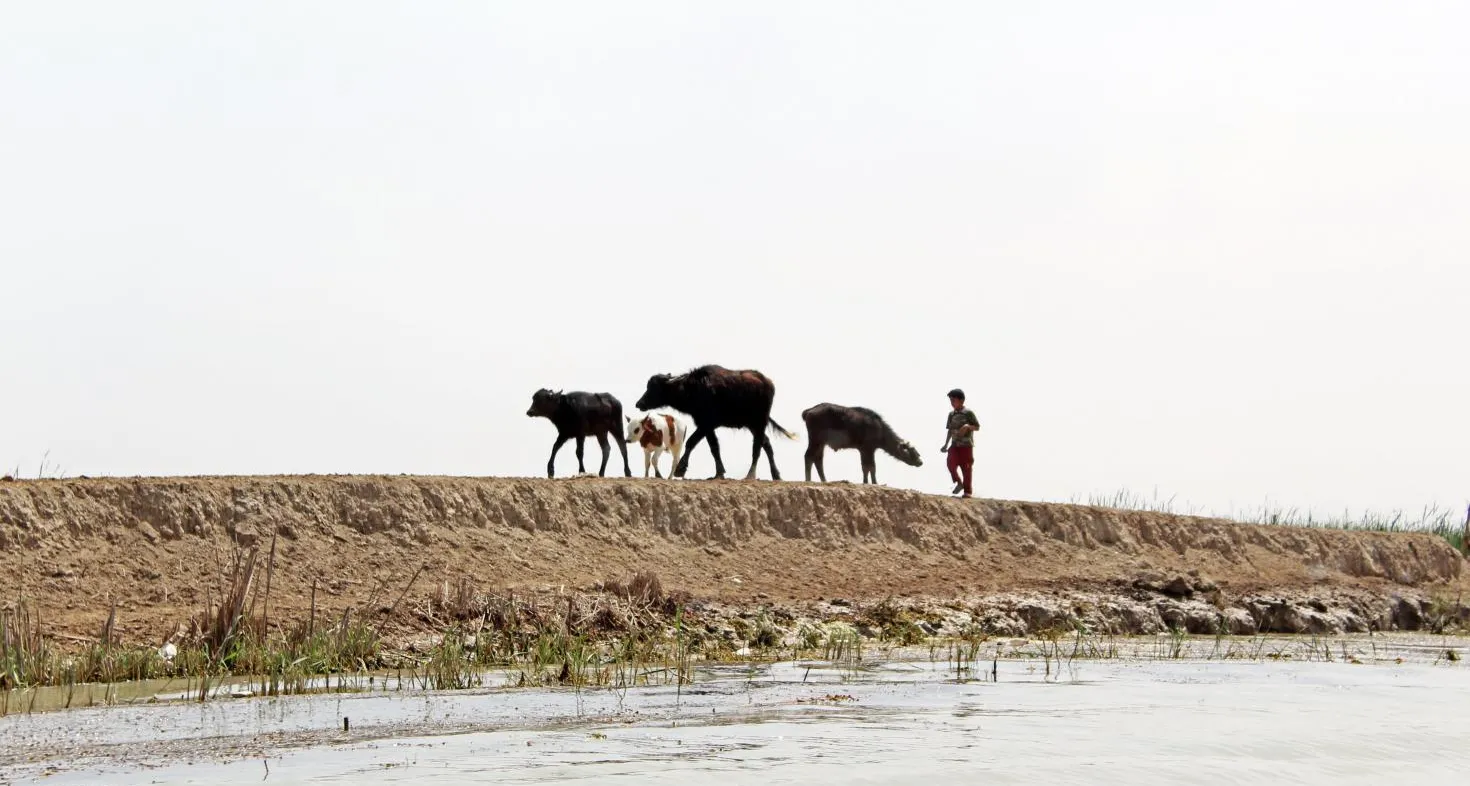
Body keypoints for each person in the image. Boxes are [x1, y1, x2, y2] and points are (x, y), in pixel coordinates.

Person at [939, 388, 980, 498]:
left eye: (954, 400)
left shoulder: (968, 413)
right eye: (951, 401)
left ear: (961, 401)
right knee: (950, 463)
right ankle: (958, 482)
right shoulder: (951, 414)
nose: (952, 403)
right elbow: (950, 430)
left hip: (966, 446)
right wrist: (946, 444)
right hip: (954, 445)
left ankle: (967, 492)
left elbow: (977, 427)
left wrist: (967, 426)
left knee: (966, 468)